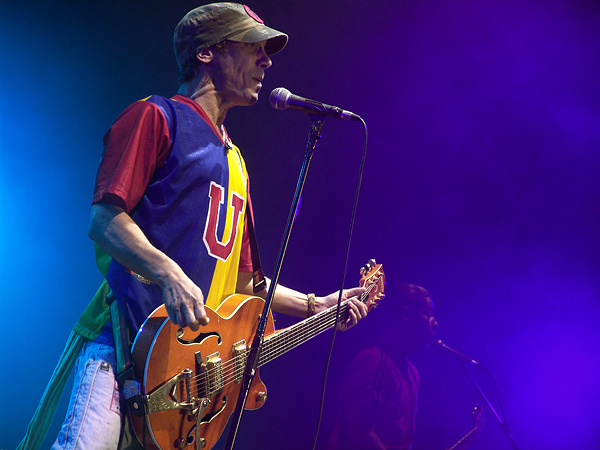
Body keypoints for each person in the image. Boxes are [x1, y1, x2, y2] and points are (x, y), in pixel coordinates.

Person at [17, 3, 369, 450]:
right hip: (124, 347)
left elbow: (247, 282)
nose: (267, 61)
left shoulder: (237, 163)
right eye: (253, 48)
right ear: (208, 53)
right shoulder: (156, 116)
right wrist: (168, 272)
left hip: (185, 378)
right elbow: (105, 219)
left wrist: (316, 305)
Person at [327, 284, 438, 450]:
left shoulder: (413, 374)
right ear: (406, 314)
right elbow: (358, 434)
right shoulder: (372, 362)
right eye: (427, 313)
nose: (434, 323)